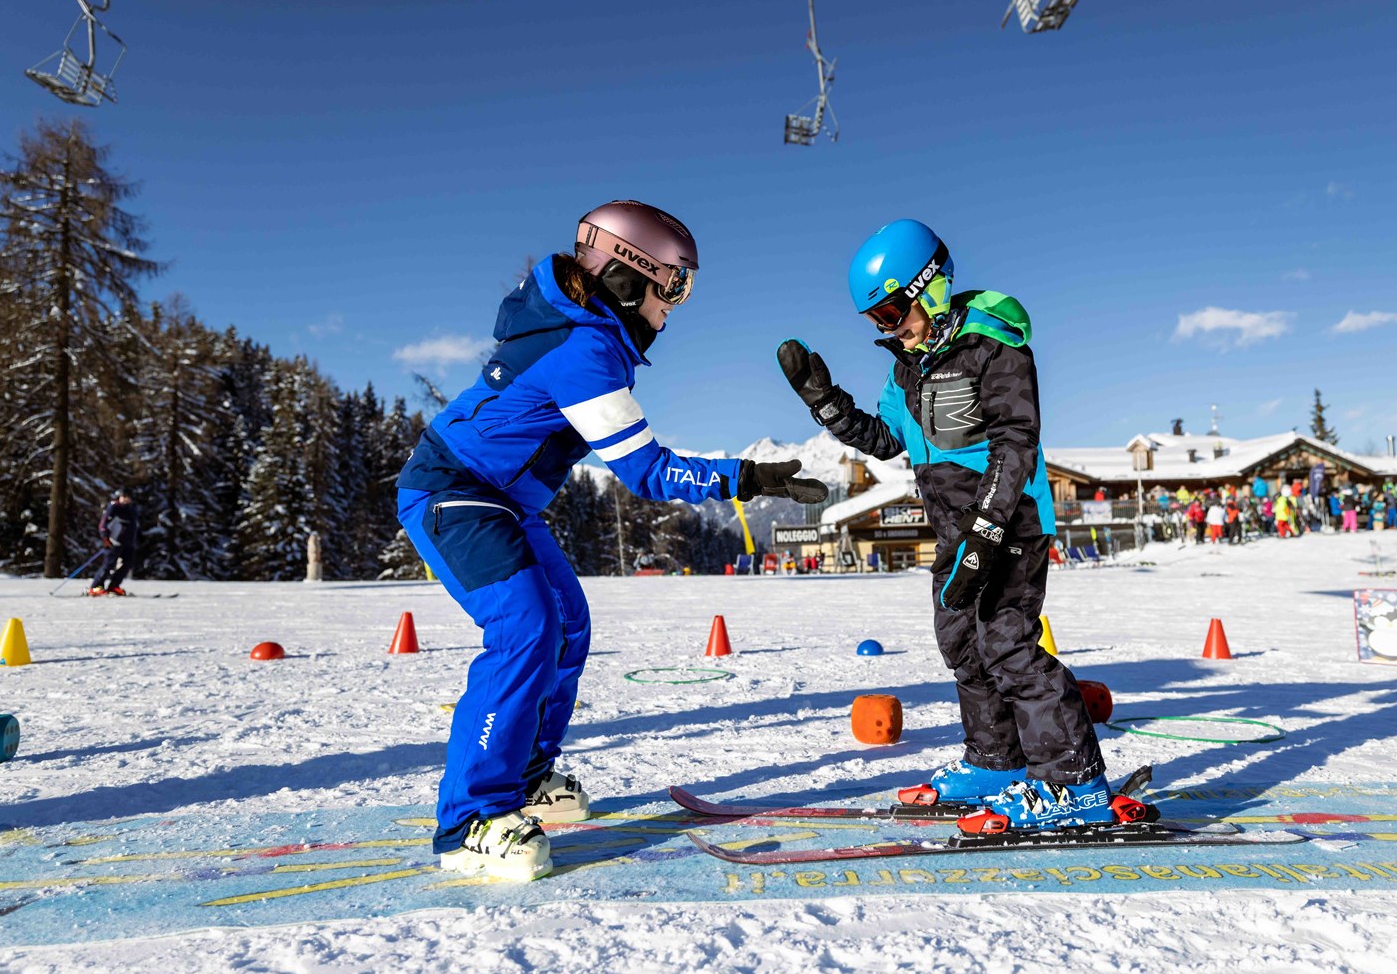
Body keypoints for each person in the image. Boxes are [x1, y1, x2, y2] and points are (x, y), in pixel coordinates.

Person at [396, 200, 828, 880]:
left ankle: (530, 773)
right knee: (525, 630)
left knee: (567, 624)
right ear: (630, 275)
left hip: (502, 501)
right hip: (454, 492)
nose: (675, 305)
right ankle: (469, 821)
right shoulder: (584, 346)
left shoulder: (588, 335)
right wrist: (743, 475)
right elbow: (646, 472)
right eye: (674, 284)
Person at [777, 218, 1135, 832]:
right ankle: (995, 762)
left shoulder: (991, 344)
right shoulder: (907, 368)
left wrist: (988, 529)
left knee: (1009, 646)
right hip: (952, 526)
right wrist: (826, 402)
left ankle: (1074, 782)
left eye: (892, 312)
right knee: (963, 646)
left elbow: (1016, 440)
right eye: (876, 321)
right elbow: (888, 439)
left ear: (930, 287)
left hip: (1009, 521)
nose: (889, 329)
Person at [89, 489, 138, 596]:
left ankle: (114, 586)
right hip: (114, 541)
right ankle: (96, 586)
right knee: (109, 564)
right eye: (123, 497)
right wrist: (105, 537)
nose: (126, 499)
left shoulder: (133, 509)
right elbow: (103, 524)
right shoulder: (114, 507)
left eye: (128, 497)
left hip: (129, 542)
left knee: (127, 565)